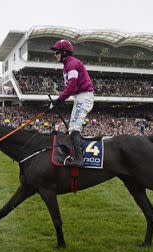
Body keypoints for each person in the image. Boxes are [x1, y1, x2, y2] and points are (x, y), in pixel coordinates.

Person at [49, 39, 95, 167]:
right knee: (72, 128)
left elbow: (72, 87)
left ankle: (80, 160)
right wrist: (59, 101)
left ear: (64, 52)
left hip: (84, 97)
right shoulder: (68, 65)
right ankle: (75, 154)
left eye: (57, 52)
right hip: (80, 97)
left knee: (74, 128)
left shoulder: (72, 64)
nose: (55, 55)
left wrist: (59, 100)